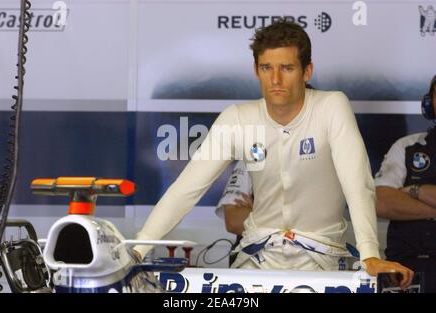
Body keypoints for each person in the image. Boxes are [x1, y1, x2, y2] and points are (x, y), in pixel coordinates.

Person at [133, 19, 413, 288]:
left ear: (307, 71)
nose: (275, 79)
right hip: (257, 258)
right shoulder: (238, 118)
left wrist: (369, 254)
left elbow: (358, 184)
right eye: (267, 68)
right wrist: (138, 250)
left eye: (287, 68)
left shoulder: (332, 107)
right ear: (256, 70)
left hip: (321, 261)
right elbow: (185, 189)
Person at [375, 75, 436, 292]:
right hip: (406, 271)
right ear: (430, 103)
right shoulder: (407, 146)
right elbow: (381, 202)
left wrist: (414, 190)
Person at [215, 161, 253, 266]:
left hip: (301, 265)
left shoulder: (302, 164)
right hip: (251, 265)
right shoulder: (251, 159)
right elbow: (234, 222)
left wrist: (257, 209)